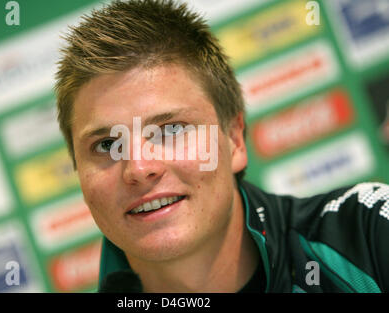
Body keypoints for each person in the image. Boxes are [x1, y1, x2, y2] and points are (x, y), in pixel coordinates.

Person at [54, 0, 389, 293]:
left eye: (170, 130)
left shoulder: (367, 234)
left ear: (234, 139)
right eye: (108, 144)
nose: (139, 169)